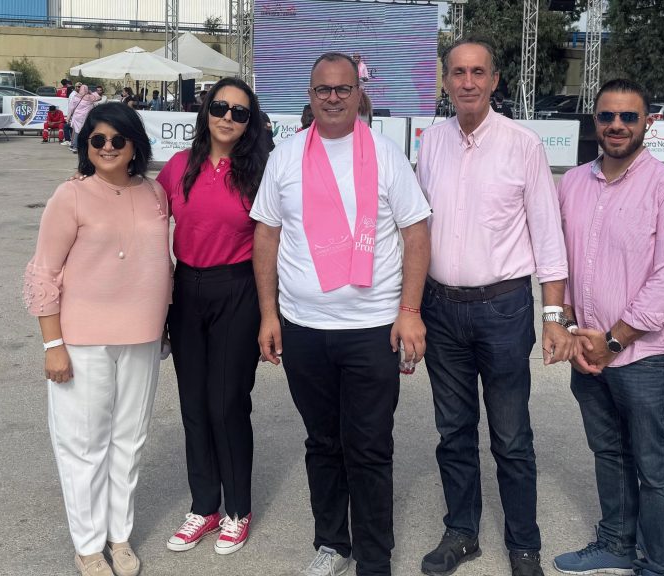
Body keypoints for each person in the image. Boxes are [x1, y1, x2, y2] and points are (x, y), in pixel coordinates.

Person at [250, 52, 431, 576]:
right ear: (310, 96)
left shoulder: (385, 155)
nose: (333, 97)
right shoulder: (285, 157)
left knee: (370, 446)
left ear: (358, 94)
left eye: (343, 89)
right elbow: (266, 235)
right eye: (323, 89)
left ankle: (374, 557)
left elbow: (416, 233)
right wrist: (268, 315)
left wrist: (410, 310)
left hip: (372, 330)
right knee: (323, 442)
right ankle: (332, 543)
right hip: (304, 329)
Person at [416, 39, 573, 576]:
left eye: (478, 72)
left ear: (495, 79)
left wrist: (553, 317)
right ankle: (462, 533)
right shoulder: (431, 142)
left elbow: (547, 235)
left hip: (503, 309)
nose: (468, 82)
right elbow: (417, 231)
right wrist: (408, 308)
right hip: (440, 309)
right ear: (445, 81)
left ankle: (524, 545)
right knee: (453, 432)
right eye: (458, 72)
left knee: (511, 436)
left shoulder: (522, 144)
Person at [550, 78, 664, 576]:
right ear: (594, 121)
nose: (616, 125)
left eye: (628, 117)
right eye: (607, 116)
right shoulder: (573, 183)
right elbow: (560, 261)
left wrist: (614, 340)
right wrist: (570, 328)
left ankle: (657, 564)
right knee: (608, 452)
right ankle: (616, 542)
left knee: (653, 464)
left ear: (648, 123)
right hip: (587, 350)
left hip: (644, 357)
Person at [23, 102, 170, 576]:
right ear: (85, 145)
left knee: (130, 439)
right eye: (97, 139)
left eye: (117, 139)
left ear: (134, 145)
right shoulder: (70, 196)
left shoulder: (155, 193)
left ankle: (118, 535)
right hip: (82, 339)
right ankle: (87, 544)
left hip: (143, 336)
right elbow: (43, 273)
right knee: (83, 444)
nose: (107, 147)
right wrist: (53, 346)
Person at [158, 77, 273, 557]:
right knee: (193, 404)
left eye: (239, 112)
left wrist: (272, 313)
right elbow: (140, 220)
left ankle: (237, 509)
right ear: (205, 111)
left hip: (238, 289)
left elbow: (277, 242)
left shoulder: (260, 172)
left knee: (226, 403)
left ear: (250, 123)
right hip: (187, 289)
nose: (227, 117)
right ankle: (204, 505)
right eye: (220, 107)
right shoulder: (178, 167)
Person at [69, 84, 102, 153]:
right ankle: (80, 146)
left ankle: (74, 146)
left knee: (76, 131)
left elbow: (71, 107)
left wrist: (68, 117)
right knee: (83, 131)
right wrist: (91, 93)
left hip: (76, 117)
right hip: (85, 117)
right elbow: (99, 98)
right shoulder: (90, 97)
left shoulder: (76, 96)